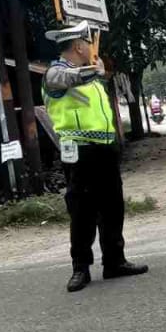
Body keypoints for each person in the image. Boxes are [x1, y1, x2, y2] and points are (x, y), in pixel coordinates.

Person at [42, 20, 148, 292]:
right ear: (78, 46)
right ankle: (80, 268)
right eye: (88, 43)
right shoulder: (56, 73)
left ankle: (115, 261)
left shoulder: (92, 75)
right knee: (82, 211)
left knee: (113, 207)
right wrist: (95, 72)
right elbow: (63, 80)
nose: (91, 48)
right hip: (78, 151)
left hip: (104, 149)